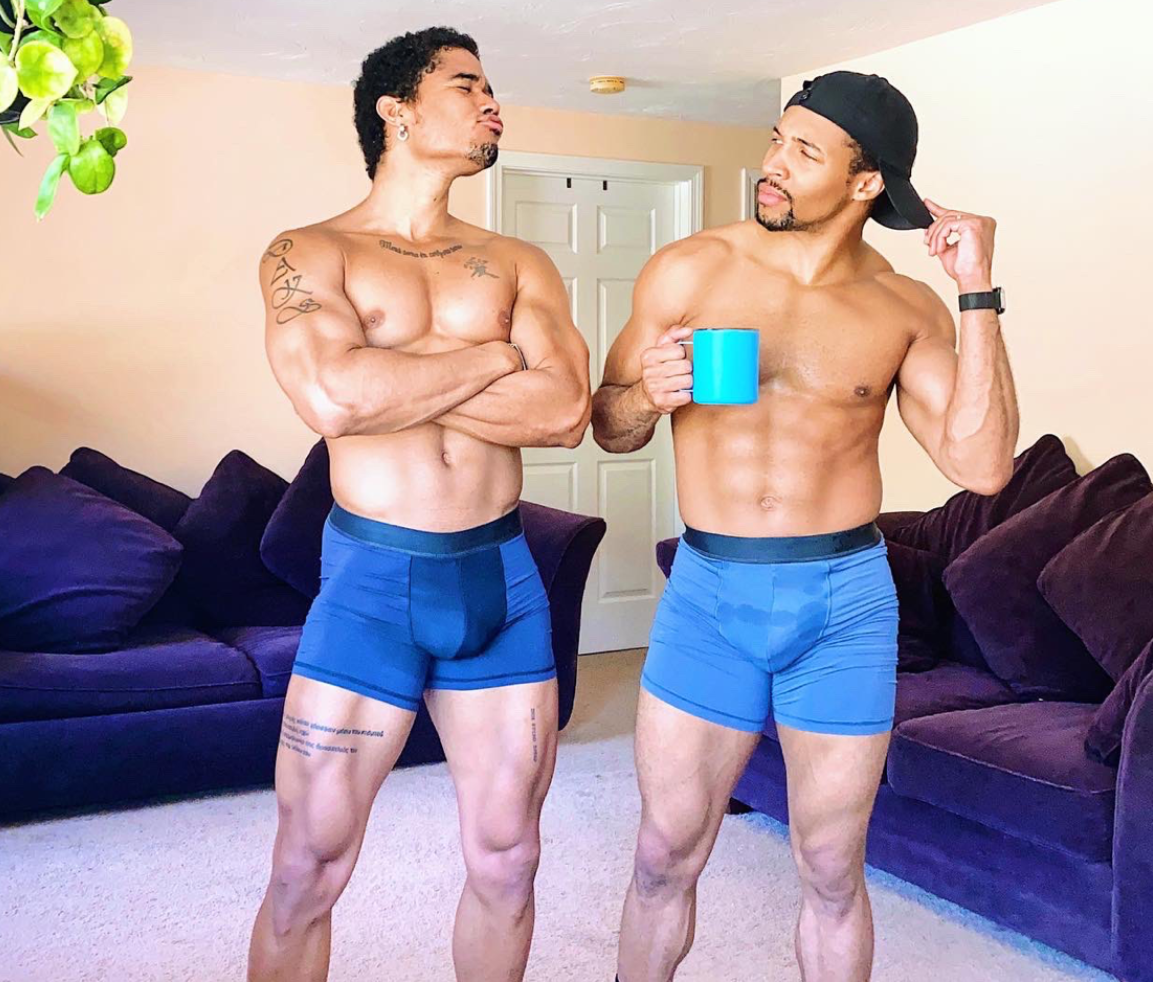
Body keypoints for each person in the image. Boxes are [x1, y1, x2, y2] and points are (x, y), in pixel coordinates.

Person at [592, 71, 1019, 982]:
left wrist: (976, 292)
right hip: (709, 593)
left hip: (843, 604)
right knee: (663, 854)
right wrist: (645, 396)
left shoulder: (902, 307)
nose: (773, 164)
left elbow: (981, 466)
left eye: (804, 152)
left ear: (866, 183)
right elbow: (609, 425)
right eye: (777, 139)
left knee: (830, 870)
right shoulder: (690, 269)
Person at [247, 27, 591, 982]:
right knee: (306, 867)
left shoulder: (517, 261)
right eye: (466, 85)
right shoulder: (310, 251)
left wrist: (392, 375)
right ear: (395, 110)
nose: (492, 104)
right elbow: (334, 400)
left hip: (499, 577)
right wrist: (497, 356)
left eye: (490, 88)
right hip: (372, 583)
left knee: (510, 859)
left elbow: (565, 413)